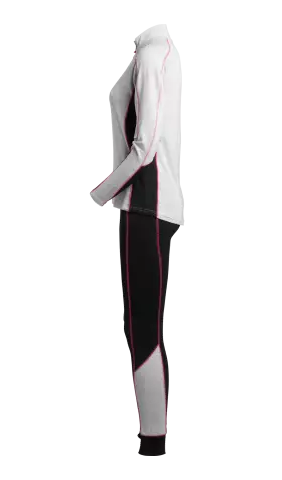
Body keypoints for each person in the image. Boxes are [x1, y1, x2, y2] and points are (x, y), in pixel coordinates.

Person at [90, 24, 184, 456]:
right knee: (145, 327)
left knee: (143, 329)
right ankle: (153, 441)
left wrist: (97, 195)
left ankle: (152, 445)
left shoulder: (150, 56)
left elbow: (144, 148)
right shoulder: (158, 55)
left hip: (144, 206)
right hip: (153, 206)